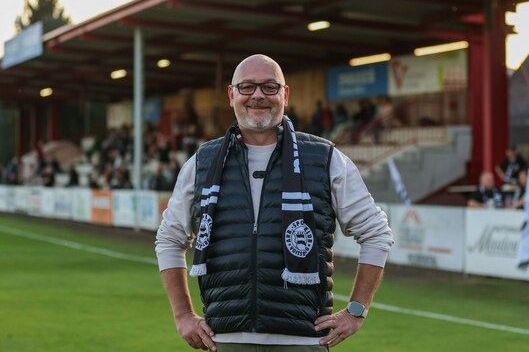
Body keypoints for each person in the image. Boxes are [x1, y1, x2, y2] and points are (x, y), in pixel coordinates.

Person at [155, 54, 393, 351]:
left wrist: (356, 310)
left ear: (285, 94)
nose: (257, 95)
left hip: (303, 340)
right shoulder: (202, 162)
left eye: (269, 87)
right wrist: (182, 315)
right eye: (247, 87)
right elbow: (169, 239)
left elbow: (376, 233)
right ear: (232, 95)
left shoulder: (325, 158)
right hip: (226, 340)